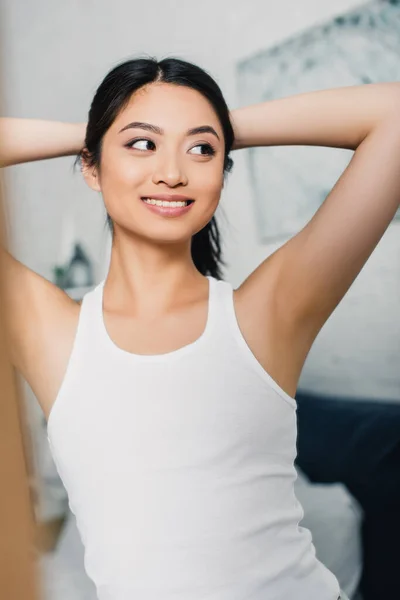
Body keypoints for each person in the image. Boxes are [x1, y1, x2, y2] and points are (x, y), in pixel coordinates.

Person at [1, 56, 399, 600]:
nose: (172, 171)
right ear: (90, 167)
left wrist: (212, 124)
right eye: (143, 145)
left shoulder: (267, 314)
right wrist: (96, 131)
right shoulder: (51, 332)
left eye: (202, 150)